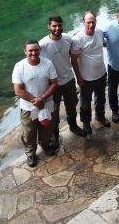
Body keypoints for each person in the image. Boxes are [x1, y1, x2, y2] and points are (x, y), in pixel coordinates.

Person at [39, 16, 86, 146]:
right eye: (54, 26)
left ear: (63, 25)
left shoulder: (68, 38)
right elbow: (36, 64)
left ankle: (73, 126)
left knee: (72, 106)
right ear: (49, 26)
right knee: (54, 111)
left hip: (69, 79)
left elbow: (74, 56)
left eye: (59, 25)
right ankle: (55, 135)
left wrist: (79, 77)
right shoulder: (42, 45)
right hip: (52, 85)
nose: (57, 28)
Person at [12, 39, 58, 167]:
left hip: (46, 103)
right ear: (25, 52)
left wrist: (42, 98)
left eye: (36, 49)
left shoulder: (48, 64)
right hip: (28, 107)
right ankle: (31, 153)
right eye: (30, 50)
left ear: (40, 50)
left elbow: (54, 84)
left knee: (47, 128)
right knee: (29, 132)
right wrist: (35, 100)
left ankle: (45, 145)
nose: (33, 53)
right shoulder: (19, 67)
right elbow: (18, 90)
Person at [71, 11, 111, 134]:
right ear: (83, 23)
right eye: (88, 22)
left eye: (93, 22)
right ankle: (86, 122)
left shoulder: (99, 32)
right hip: (86, 77)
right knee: (85, 102)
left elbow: (108, 41)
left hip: (101, 73)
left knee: (101, 98)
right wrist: (78, 77)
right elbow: (73, 60)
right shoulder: (78, 39)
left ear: (96, 22)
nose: (91, 25)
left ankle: (100, 116)